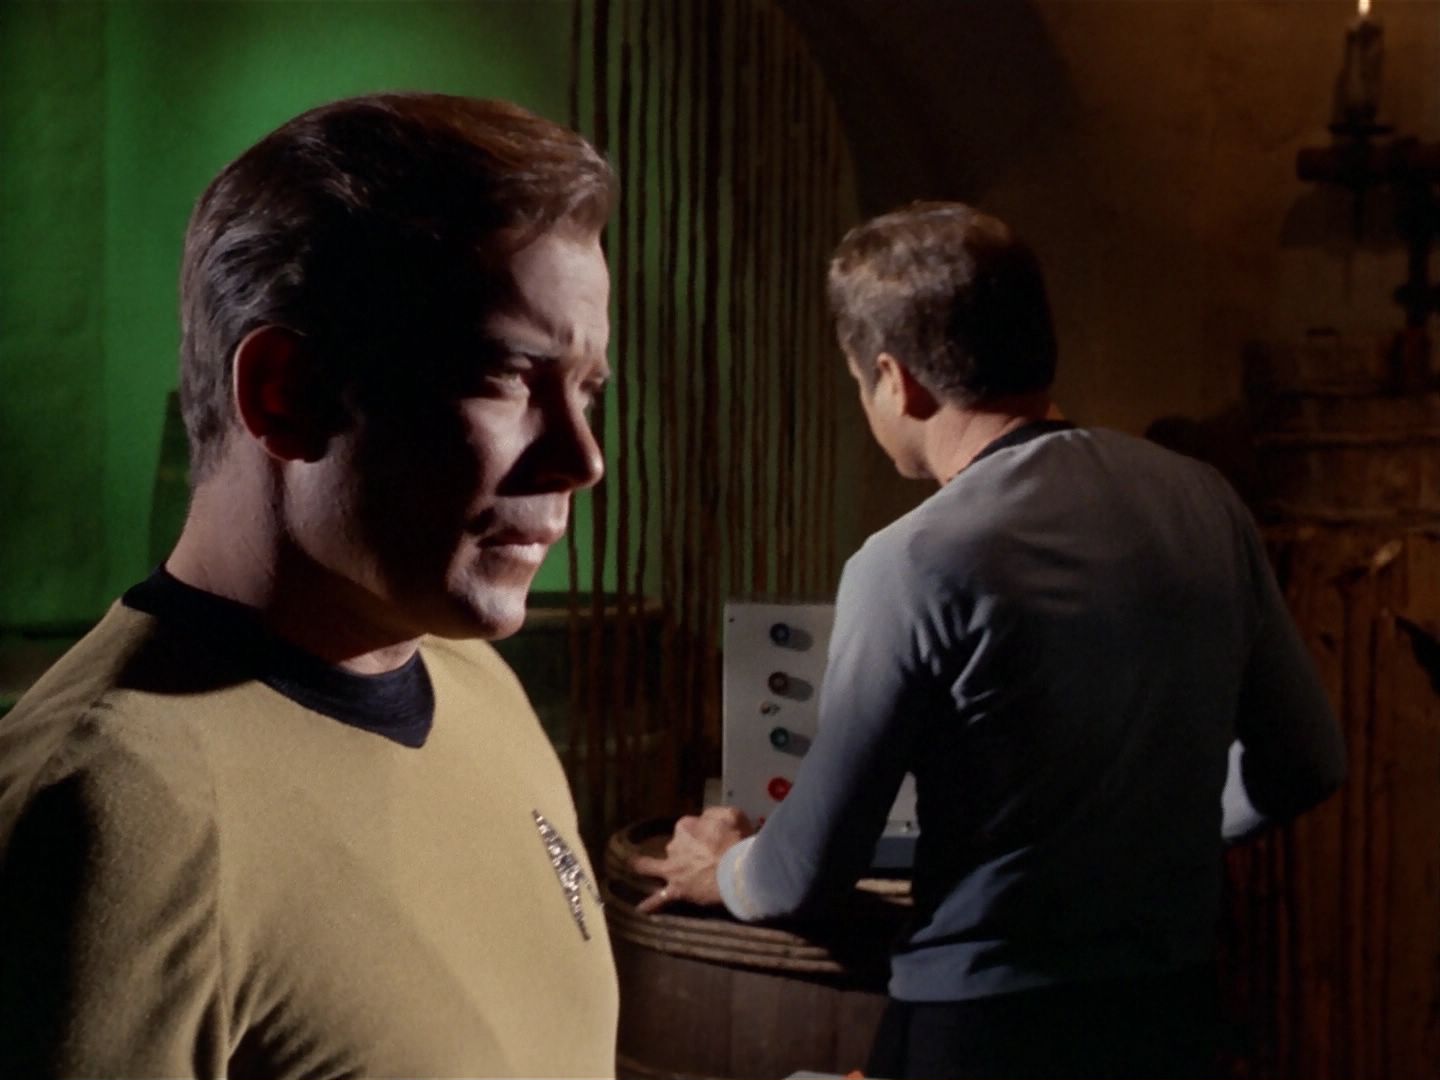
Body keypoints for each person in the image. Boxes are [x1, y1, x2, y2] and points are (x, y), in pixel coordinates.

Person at [632, 202, 1345, 1079]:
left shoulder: (916, 558)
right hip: (1174, 1018)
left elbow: (802, 872)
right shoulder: (1204, 502)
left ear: (894, 380)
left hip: (982, 1031)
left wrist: (723, 869)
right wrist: (1158, 839)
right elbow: (1305, 763)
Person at [0, 93, 618, 1079]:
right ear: (282, 394)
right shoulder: (106, 817)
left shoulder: (477, 685)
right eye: (507, 375)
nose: (583, 459)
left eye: (586, 388)